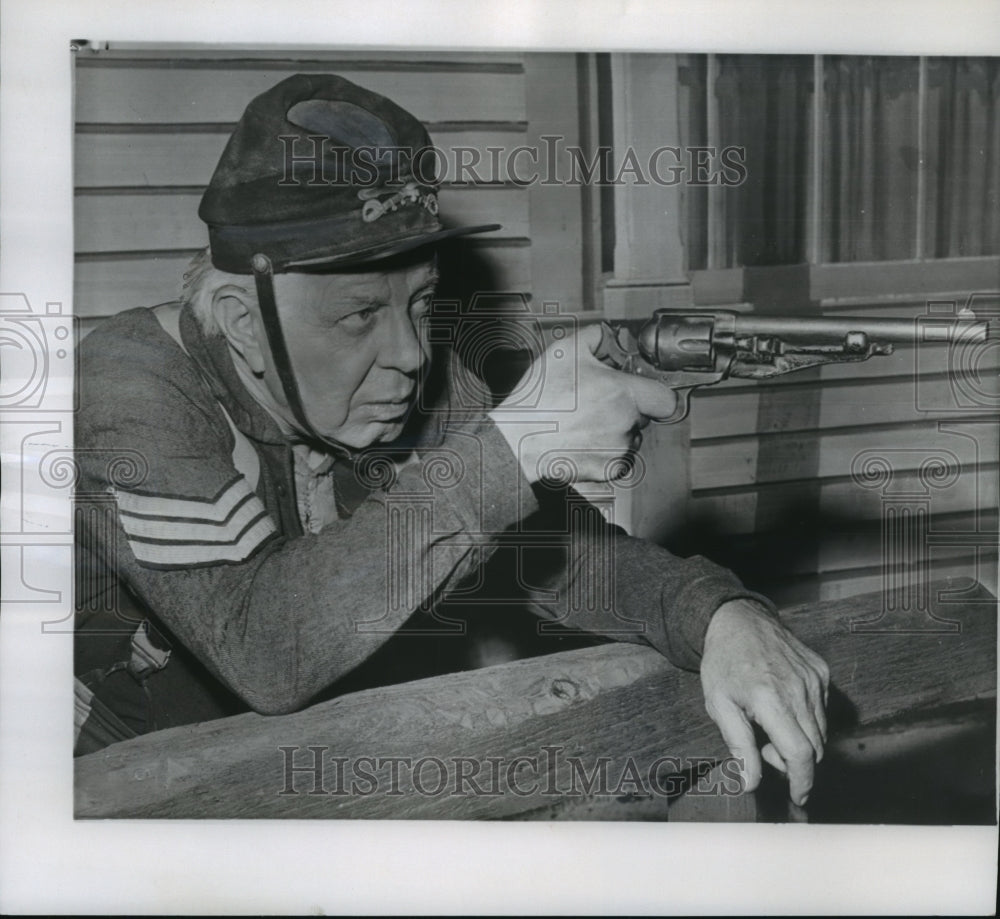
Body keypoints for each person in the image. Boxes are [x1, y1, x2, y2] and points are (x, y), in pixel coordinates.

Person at [74, 73, 829, 808]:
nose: (410, 352)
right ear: (244, 323)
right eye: (359, 314)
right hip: (112, 797)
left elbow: (565, 559)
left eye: (422, 302)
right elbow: (266, 646)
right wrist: (513, 445)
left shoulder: (413, 380)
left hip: (318, 776)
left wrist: (722, 616)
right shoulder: (129, 384)